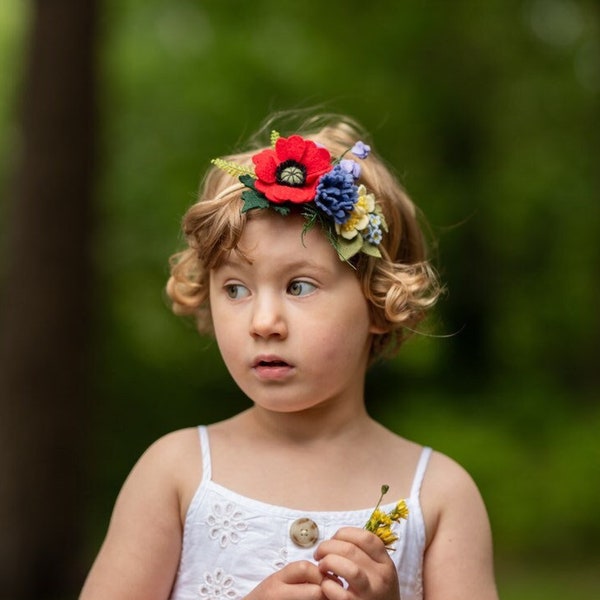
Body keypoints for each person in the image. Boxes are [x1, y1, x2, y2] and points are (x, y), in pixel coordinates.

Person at [80, 113, 498, 600]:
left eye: (299, 285)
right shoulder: (175, 474)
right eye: (235, 288)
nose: (263, 322)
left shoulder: (439, 496)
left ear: (378, 300)